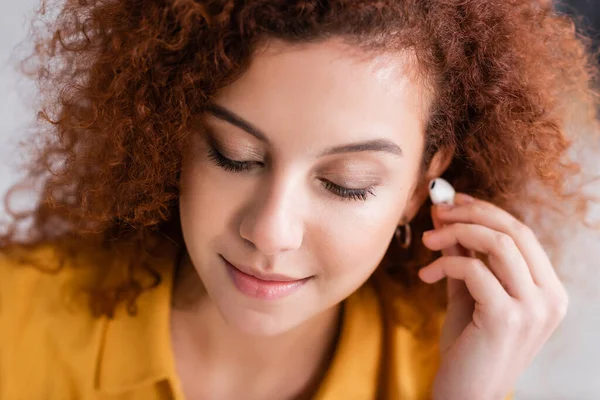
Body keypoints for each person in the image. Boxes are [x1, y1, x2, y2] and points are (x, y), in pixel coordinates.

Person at [0, 0, 598, 399]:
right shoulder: (14, 319)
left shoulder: (446, 370)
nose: (270, 231)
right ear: (170, 134)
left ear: (420, 186)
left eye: (347, 182)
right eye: (235, 155)